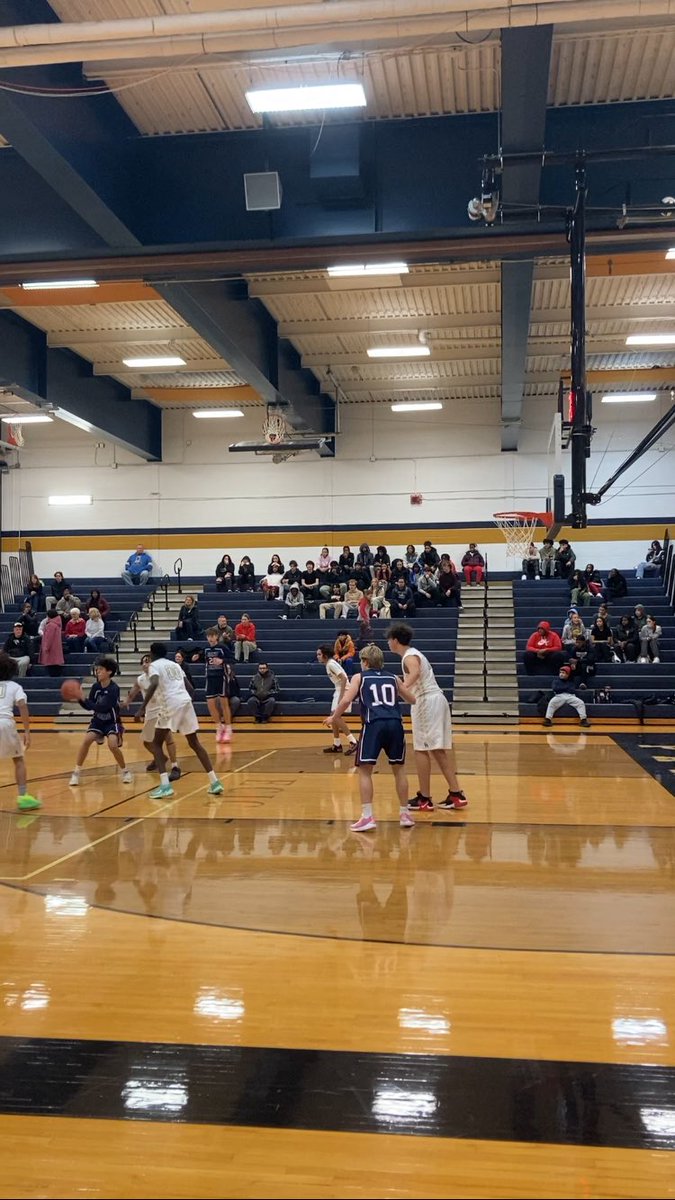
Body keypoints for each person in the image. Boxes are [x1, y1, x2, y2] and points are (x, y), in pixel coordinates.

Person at [327, 642, 416, 832]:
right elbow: (412, 699)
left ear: (365, 662)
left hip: (374, 724)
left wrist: (334, 717)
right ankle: (405, 814)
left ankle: (367, 816)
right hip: (395, 724)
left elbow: (346, 700)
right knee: (399, 769)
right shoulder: (393, 677)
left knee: (365, 770)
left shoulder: (360, 677)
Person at [386, 621, 467, 812]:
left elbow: (414, 671)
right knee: (437, 750)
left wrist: (402, 686)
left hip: (426, 702)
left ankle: (424, 798)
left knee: (421, 749)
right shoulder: (414, 653)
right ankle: (456, 794)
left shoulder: (409, 657)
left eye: (389, 640)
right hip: (436, 700)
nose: (388, 643)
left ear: (395, 640)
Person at [137, 643, 223, 800]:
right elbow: (190, 687)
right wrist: (184, 701)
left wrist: (143, 707)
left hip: (170, 703)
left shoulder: (154, 666)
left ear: (152, 653)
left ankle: (165, 786)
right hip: (185, 701)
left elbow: (154, 682)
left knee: (155, 743)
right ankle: (215, 782)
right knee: (194, 743)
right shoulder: (175, 665)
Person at [69, 655, 133, 786]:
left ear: (109, 672)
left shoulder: (114, 689)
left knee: (113, 745)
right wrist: (80, 699)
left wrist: (85, 699)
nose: (97, 671)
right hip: (98, 721)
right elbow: (89, 706)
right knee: (86, 740)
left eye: (100, 669)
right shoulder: (95, 687)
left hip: (112, 722)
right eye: (97, 669)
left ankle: (125, 771)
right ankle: (76, 772)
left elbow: (103, 707)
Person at [123, 653, 181, 782]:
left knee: (168, 738)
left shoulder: (159, 676)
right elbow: (132, 693)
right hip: (150, 714)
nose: (145, 664)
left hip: (162, 710)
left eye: (147, 661)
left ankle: (175, 766)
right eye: (143, 662)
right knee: (147, 742)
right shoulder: (141, 679)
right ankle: (160, 758)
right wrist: (126, 702)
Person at [0, 652, 40, 811]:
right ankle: (23, 797)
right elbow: (22, 705)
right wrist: (27, 731)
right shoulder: (15, 687)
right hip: (6, 723)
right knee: (18, 759)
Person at [316, 644, 358, 755]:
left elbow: (344, 678)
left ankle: (353, 742)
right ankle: (337, 744)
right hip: (339, 689)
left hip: (344, 690)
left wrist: (341, 697)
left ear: (325, 655)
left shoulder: (331, 664)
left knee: (336, 716)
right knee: (333, 716)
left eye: (319, 654)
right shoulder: (329, 664)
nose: (318, 656)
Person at [203, 627, 232, 743]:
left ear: (217, 637)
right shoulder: (205, 649)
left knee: (224, 702)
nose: (210, 638)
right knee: (210, 703)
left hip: (221, 677)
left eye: (212, 636)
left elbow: (232, 659)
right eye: (208, 636)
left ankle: (228, 728)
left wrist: (222, 661)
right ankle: (219, 726)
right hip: (210, 677)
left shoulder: (222, 647)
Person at [38, 610, 65, 676]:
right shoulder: (58, 623)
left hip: (51, 649)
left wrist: (46, 647)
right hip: (56, 648)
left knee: (51, 667)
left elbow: (48, 638)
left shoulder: (50, 625)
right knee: (56, 666)